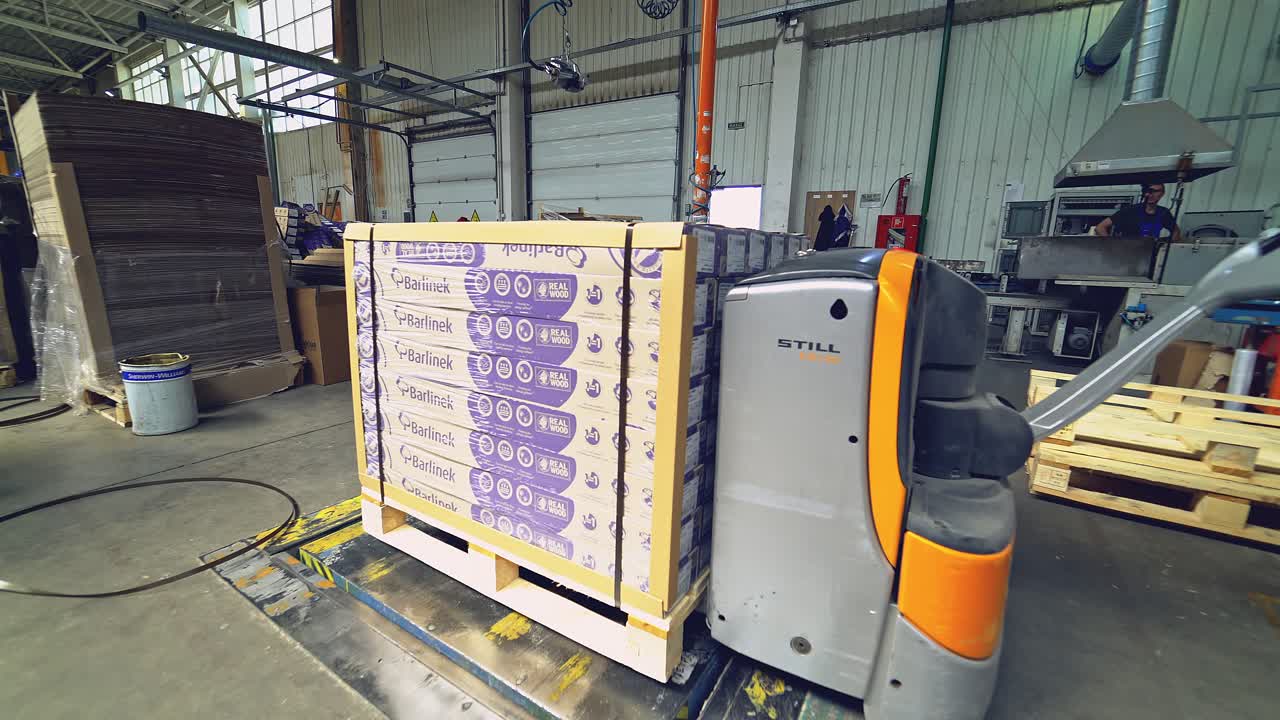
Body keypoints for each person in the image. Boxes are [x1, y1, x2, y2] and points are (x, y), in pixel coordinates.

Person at [1095, 183, 1182, 241]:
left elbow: (1176, 232)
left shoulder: (1164, 213)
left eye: (1156, 191)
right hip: (1128, 255)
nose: (1151, 194)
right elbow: (1100, 227)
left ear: (1162, 193)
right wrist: (1112, 246)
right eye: (1149, 191)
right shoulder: (1130, 210)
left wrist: (1162, 246)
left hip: (1150, 256)